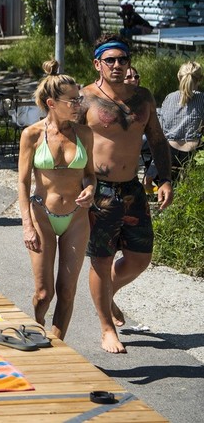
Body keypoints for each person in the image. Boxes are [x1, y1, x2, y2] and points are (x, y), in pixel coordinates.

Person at [80, 35, 173, 353]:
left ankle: (107, 295)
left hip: (132, 189)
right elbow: (64, 141)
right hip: (98, 191)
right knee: (101, 261)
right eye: (111, 60)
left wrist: (164, 179)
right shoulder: (85, 99)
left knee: (139, 258)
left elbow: (158, 141)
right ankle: (107, 327)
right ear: (98, 64)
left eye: (123, 59)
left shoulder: (142, 98)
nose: (118, 65)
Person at [18, 60, 96, 340]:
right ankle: (37, 328)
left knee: (66, 291)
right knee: (43, 293)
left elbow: (89, 174)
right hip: (42, 216)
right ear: (52, 103)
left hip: (76, 217)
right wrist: (27, 225)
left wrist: (91, 188)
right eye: (72, 100)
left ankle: (56, 343)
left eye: (79, 99)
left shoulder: (84, 133)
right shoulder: (32, 135)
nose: (78, 104)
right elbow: (23, 182)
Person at [146, 61, 204, 185]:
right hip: (192, 154)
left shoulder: (169, 97)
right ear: (201, 79)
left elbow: (161, 128)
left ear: (178, 77)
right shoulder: (202, 99)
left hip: (169, 152)